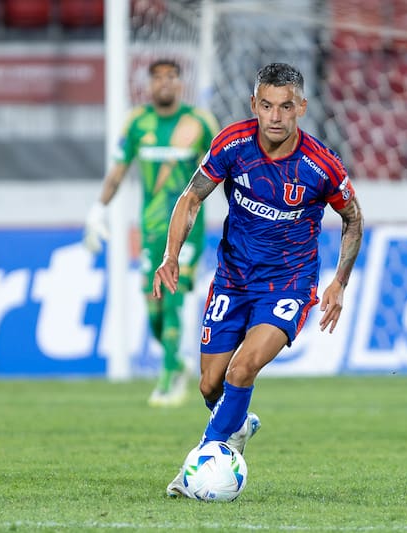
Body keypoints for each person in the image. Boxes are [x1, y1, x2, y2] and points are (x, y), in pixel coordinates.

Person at [152, 62, 364, 498]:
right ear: (254, 104)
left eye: (286, 106)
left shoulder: (321, 165)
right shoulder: (233, 145)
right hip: (232, 279)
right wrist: (171, 255)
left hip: (288, 283)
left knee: (243, 367)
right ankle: (238, 424)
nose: (275, 116)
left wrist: (339, 282)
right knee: (210, 384)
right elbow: (191, 198)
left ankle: (202, 463)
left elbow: (353, 219)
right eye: (267, 105)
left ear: (301, 107)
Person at [83, 59, 219, 407]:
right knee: (154, 308)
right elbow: (117, 172)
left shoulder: (199, 122)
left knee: (173, 298)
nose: (164, 84)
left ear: (180, 83)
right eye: (157, 78)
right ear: (149, 85)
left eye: (171, 77)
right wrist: (98, 210)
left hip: (187, 229)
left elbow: (224, 170)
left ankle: (168, 379)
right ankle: (177, 361)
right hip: (151, 228)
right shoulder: (136, 122)